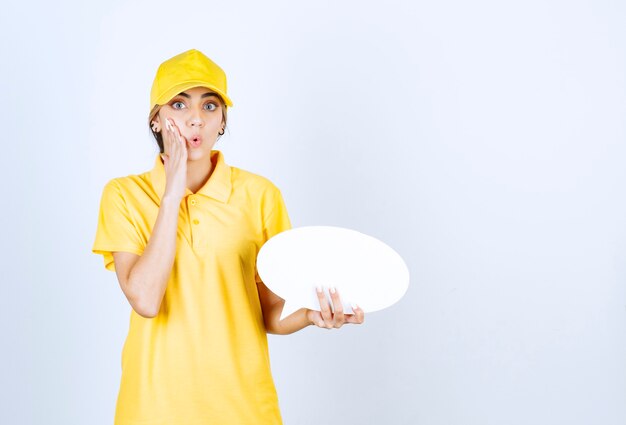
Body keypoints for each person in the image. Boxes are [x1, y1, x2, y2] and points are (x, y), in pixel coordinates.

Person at [91, 48, 365, 425]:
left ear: (222, 121)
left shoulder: (259, 196)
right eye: (179, 104)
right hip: (153, 409)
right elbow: (146, 299)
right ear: (157, 120)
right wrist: (172, 192)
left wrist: (309, 314)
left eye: (209, 106)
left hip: (244, 408)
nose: (195, 121)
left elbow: (270, 311)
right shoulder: (124, 195)